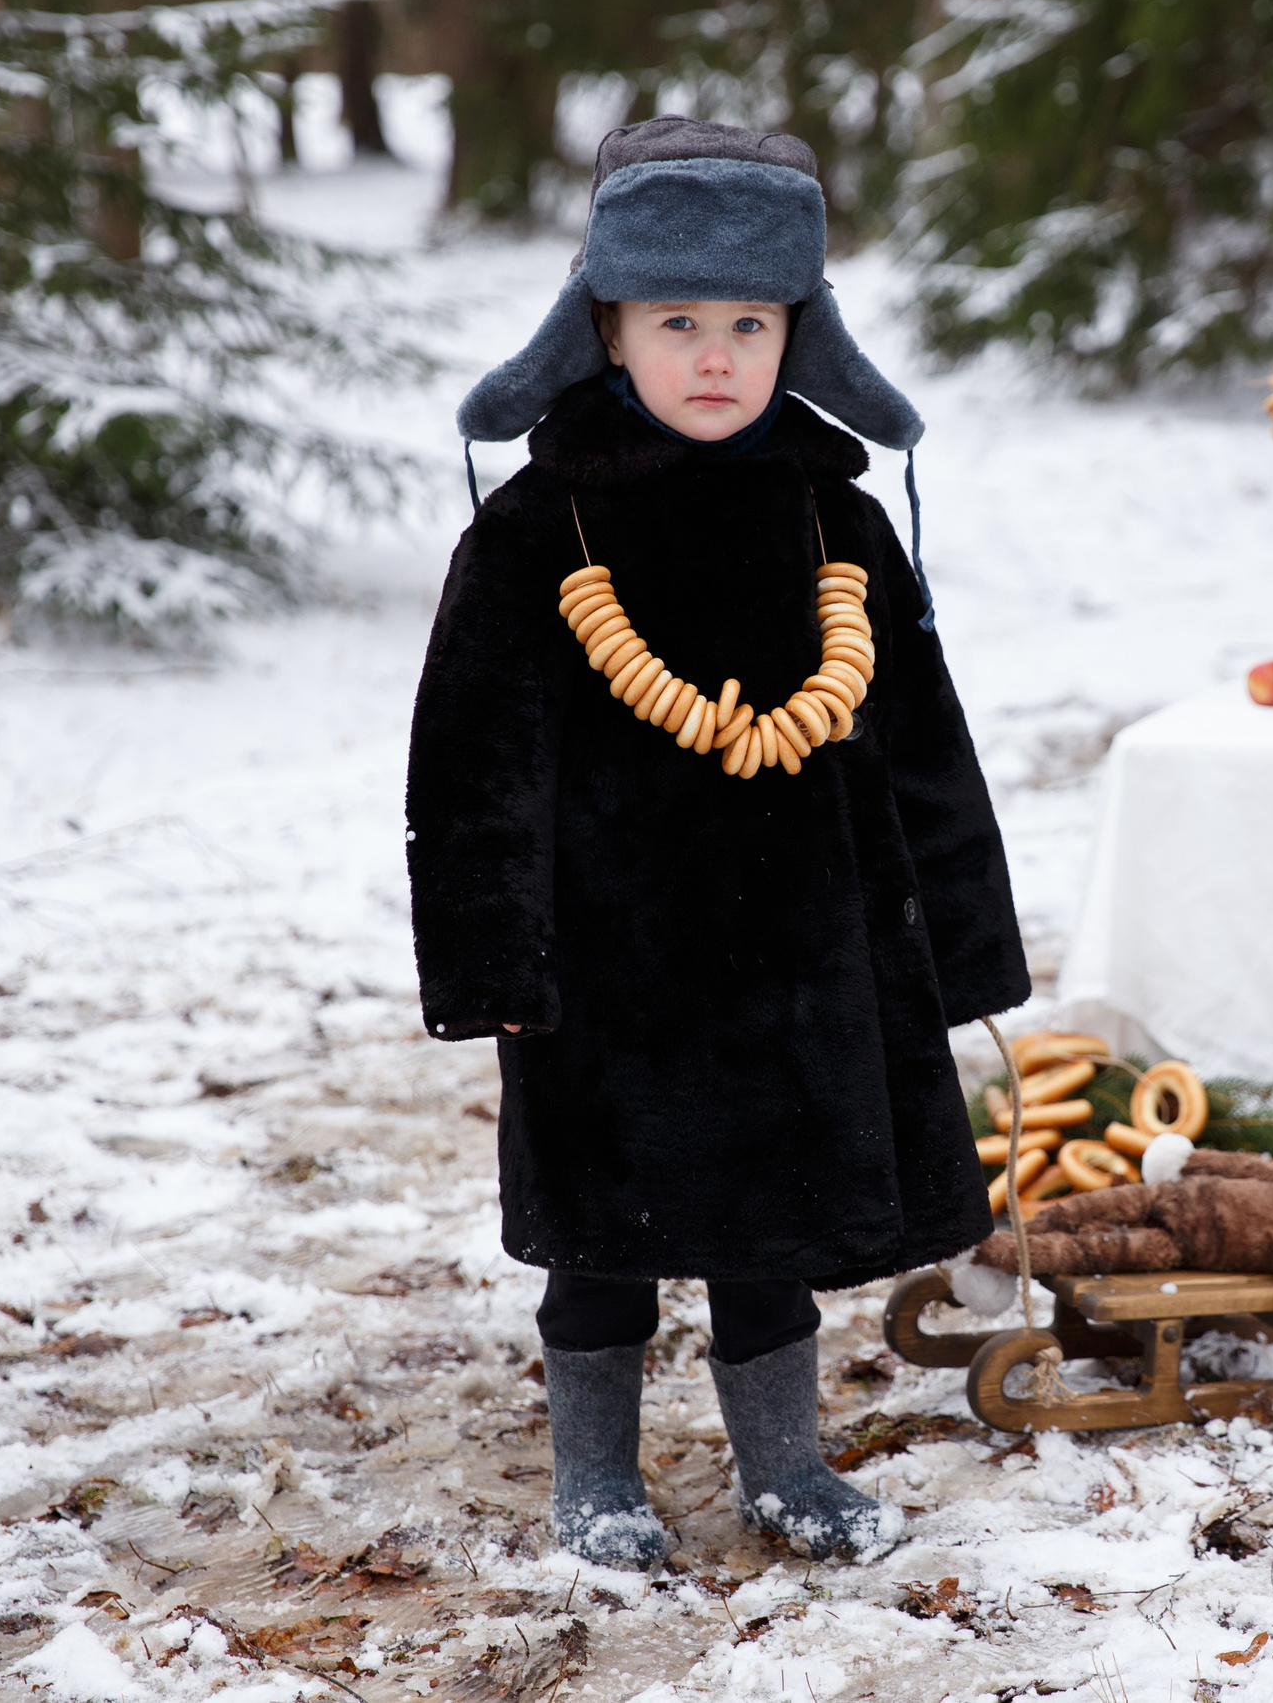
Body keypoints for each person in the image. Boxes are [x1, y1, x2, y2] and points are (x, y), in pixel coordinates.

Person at [405, 116, 1027, 1569]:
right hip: (604, 969)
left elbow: (923, 746)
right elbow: (472, 767)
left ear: (799, 334)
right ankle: (595, 1477)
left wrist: (960, 946)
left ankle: (786, 1466)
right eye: (675, 320)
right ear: (605, 327)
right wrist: (494, 961)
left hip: (805, 963)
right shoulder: (537, 533)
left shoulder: (836, 522)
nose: (714, 356)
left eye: (750, 322)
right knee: (601, 1242)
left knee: (774, 1239)